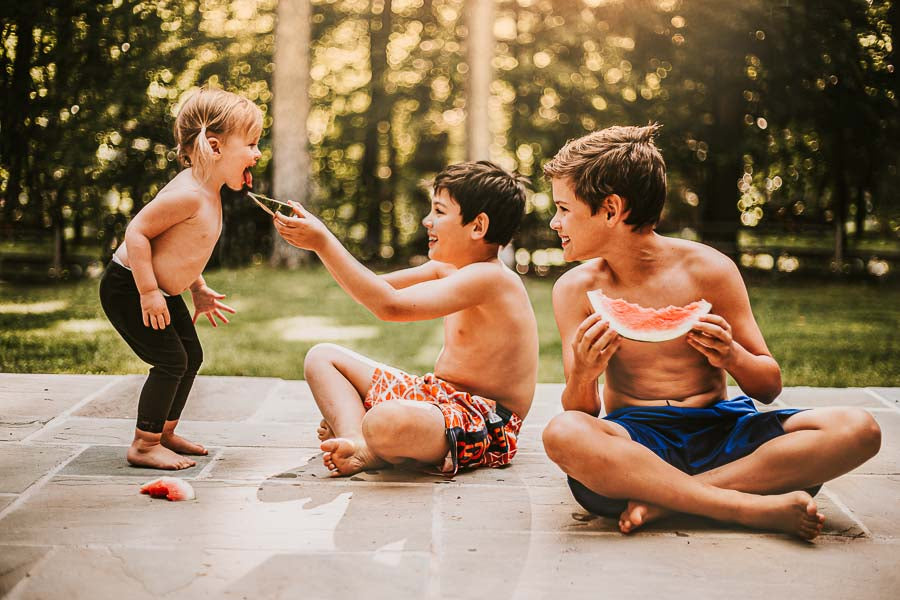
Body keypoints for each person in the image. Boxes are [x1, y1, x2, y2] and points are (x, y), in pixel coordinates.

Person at [540, 124, 881, 540]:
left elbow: (768, 386)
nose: (555, 222)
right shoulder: (574, 290)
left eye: (563, 208)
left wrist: (732, 356)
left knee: (859, 429)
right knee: (564, 432)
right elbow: (582, 412)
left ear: (610, 209)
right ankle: (745, 504)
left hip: (725, 430)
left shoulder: (710, 269)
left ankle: (668, 501)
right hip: (640, 441)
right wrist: (583, 374)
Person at [273, 161, 539, 477]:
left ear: (478, 226)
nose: (427, 220)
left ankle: (373, 442)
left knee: (386, 421)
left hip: (485, 418)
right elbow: (375, 287)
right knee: (322, 358)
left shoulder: (492, 279)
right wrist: (320, 245)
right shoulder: (449, 269)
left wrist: (324, 242)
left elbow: (390, 307)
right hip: (436, 396)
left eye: (439, 212)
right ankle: (357, 440)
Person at [99, 88, 262, 470]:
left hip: (158, 287)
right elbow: (137, 233)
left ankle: (164, 431)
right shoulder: (188, 194)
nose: (256, 154)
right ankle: (143, 444)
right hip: (129, 286)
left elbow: (180, 250)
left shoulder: (209, 191)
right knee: (171, 360)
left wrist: (198, 287)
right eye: (251, 144)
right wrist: (148, 291)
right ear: (215, 146)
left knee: (192, 357)